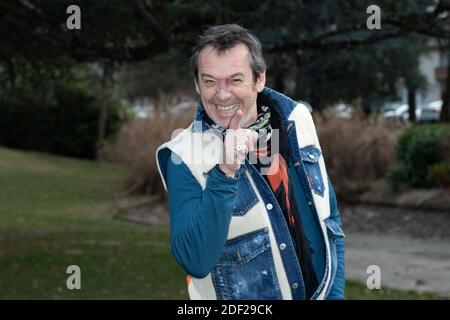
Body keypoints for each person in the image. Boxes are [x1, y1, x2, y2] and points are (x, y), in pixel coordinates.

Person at [156, 24, 345, 300]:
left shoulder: (296, 121)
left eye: (235, 80)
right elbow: (194, 260)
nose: (222, 94)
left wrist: (335, 295)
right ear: (197, 84)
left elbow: (329, 220)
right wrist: (225, 172)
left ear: (259, 79)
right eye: (209, 81)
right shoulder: (182, 156)